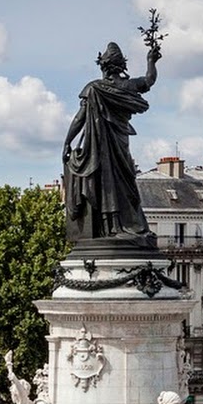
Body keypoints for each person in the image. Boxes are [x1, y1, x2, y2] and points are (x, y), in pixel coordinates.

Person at [63, 37, 161, 247]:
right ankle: (124, 226)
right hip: (120, 145)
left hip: (100, 148)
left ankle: (111, 227)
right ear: (120, 66)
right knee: (125, 185)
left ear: (103, 67)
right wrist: (151, 60)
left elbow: (80, 118)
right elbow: (149, 80)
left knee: (106, 184)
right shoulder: (127, 85)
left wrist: (67, 142)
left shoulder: (94, 88)